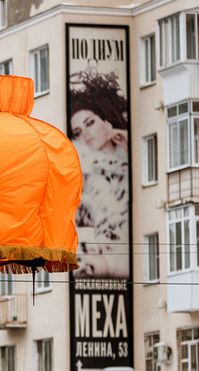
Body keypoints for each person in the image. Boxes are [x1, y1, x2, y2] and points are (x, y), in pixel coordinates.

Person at [68, 69, 130, 279]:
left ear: (106, 121)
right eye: (78, 132)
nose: (85, 133)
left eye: (90, 123)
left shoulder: (132, 163)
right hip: (106, 270)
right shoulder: (84, 182)